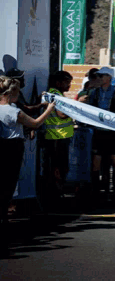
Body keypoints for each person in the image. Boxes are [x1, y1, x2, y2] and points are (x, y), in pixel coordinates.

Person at [1, 76, 56, 253]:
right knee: (8, 185)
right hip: (12, 149)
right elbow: (35, 123)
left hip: (3, 146)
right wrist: (49, 110)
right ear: (11, 93)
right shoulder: (11, 110)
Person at [88, 67, 115, 203]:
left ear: (109, 78)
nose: (99, 78)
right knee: (96, 163)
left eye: (102, 76)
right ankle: (96, 192)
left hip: (113, 133)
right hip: (98, 132)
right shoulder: (95, 93)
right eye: (98, 76)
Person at [41, 71, 74, 205]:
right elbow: (61, 114)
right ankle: (56, 194)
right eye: (67, 82)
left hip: (59, 136)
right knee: (58, 167)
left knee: (58, 166)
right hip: (57, 136)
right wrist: (75, 108)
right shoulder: (55, 94)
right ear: (58, 82)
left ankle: (56, 192)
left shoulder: (56, 93)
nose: (69, 85)